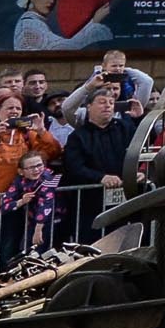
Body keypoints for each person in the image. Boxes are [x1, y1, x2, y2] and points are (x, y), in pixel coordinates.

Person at [0, 92, 62, 276]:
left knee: (7, 258)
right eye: (9, 108)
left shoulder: (27, 137)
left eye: (18, 108)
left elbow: (53, 152)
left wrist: (41, 131)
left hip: (11, 209)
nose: (14, 111)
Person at [57, 88, 137, 244]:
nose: (107, 106)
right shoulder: (78, 136)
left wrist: (139, 171)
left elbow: (141, 153)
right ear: (89, 107)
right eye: (102, 102)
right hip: (90, 204)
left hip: (124, 201)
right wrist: (100, 178)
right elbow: (74, 167)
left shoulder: (126, 128)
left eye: (111, 103)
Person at [12, 0, 117, 55]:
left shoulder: (33, 21)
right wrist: (95, 20)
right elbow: (68, 47)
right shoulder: (30, 24)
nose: (52, 1)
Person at [0, 152, 61, 258]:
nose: (36, 170)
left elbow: (46, 204)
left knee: (44, 253)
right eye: (31, 167)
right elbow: (3, 205)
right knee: (28, 253)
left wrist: (38, 229)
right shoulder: (19, 181)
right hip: (32, 221)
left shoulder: (49, 179)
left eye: (39, 165)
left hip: (53, 221)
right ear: (21, 171)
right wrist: (21, 201)